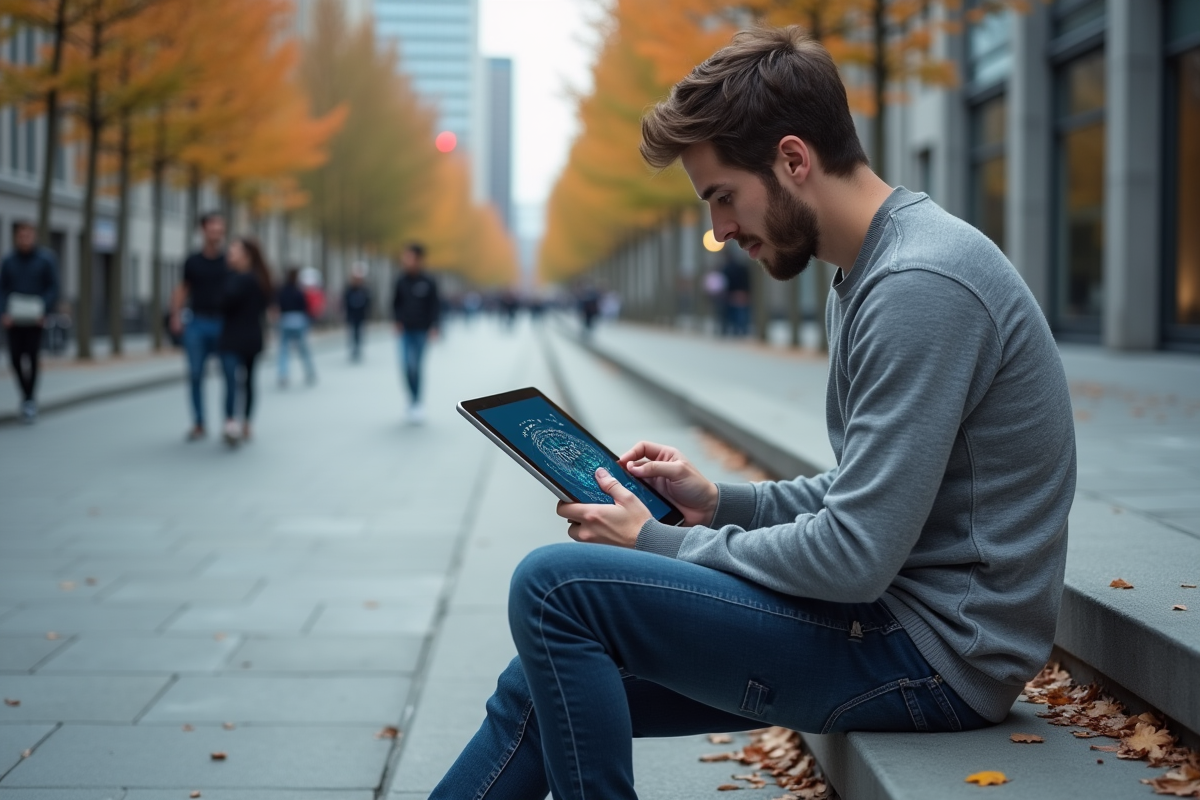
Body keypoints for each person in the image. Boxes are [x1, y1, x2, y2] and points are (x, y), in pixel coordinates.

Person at [431, 27, 1076, 800]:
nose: (721, 229)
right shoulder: (879, 266)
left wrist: (661, 544)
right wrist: (718, 505)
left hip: (929, 656)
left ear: (793, 160)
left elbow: (854, 554)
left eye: (722, 196)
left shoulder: (918, 284)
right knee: (537, 678)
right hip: (900, 624)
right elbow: (866, 491)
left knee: (554, 589)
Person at [170, 212, 228, 441]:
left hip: (224, 322)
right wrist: (175, 315)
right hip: (197, 321)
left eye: (220, 228)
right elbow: (183, 288)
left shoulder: (228, 261)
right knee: (195, 374)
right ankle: (199, 422)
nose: (217, 232)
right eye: (212, 227)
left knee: (231, 373)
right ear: (203, 230)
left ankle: (229, 420)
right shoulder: (192, 261)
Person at [0, 220, 59, 424]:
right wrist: (3, 312)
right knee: (15, 358)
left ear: (34, 236)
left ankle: (29, 400)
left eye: (28, 235)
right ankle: (26, 397)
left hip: (35, 319)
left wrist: (44, 309)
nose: (24, 239)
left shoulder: (45, 260)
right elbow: (2, 288)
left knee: (32, 358)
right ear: (16, 237)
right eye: (21, 235)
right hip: (14, 319)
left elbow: (53, 287)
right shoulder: (8, 261)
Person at [217, 238, 272, 446]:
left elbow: (224, 302)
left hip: (248, 336)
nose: (229, 255)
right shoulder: (231, 277)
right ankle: (232, 421)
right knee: (233, 380)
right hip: (232, 336)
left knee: (246, 381)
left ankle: (245, 421)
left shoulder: (252, 279)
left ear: (246, 255)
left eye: (234, 251)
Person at [391, 242, 440, 424]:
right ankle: (412, 399)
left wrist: (434, 326)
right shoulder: (401, 280)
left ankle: (417, 402)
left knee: (416, 367)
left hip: (422, 330)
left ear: (418, 259)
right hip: (405, 330)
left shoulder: (428, 281)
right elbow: (395, 303)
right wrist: (396, 321)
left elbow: (435, 305)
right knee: (406, 365)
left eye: (409, 256)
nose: (406, 260)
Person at [276, 267, 316, 387]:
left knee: (284, 349)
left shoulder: (282, 290)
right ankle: (309, 372)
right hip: (299, 320)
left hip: (285, 320)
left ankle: (283, 374)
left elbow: (278, 305)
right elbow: (305, 306)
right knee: (303, 349)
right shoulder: (300, 291)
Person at [342, 264, 371, 362]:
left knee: (358, 333)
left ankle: (357, 348)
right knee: (352, 332)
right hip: (351, 315)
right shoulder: (350, 289)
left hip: (361, 315)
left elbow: (368, 302)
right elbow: (345, 300)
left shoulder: (364, 289)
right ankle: (353, 349)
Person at [721, 254, 751, 336]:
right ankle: (742, 330)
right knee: (740, 312)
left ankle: (735, 330)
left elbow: (724, 281)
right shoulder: (743, 268)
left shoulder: (726, 268)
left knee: (733, 312)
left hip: (731, 292)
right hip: (741, 292)